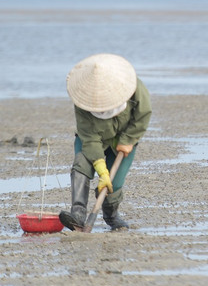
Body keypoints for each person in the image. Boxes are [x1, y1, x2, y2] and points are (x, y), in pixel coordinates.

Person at [59, 53, 151, 231]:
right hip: (92, 139)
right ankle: (78, 214)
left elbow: (143, 115)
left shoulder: (133, 86)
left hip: (123, 140)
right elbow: (89, 136)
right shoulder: (82, 97)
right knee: (81, 165)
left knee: (114, 183)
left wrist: (128, 139)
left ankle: (111, 216)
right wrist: (101, 169)